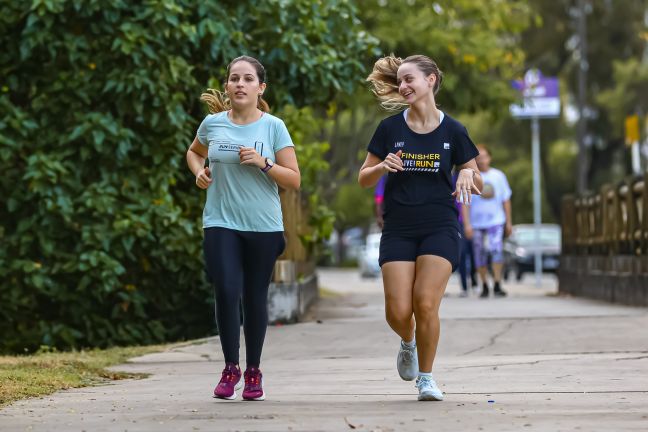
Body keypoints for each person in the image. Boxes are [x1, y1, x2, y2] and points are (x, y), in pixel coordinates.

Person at [358, 55, 483, 401]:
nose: (403, 86)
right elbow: (363, 179)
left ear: (430, 80)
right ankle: (408, 340)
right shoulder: (389, 129)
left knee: (425, 302)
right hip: (398, 227)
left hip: (439, 225)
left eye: (409, 79)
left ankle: (426, 378)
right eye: (399, 81)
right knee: (398, 312)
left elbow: (479, 183)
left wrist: (469, 172)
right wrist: (382, 165)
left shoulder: (454, 131)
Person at [186, 55, 300, 401]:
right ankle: (230, 367)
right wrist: (199, 173)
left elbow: (294, 179)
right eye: (234, 78)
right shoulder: (213, 123)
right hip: (221, 220)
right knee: (225, 288)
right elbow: (194, 153)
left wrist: (265, 163)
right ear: (226, 86)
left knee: (253, 298)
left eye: (248, 79)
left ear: (259, 88)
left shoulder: (274, 126)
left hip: (263, 226)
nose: (239, 84)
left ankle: (253, 371)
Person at [461, 144, 512, 298]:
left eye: (484, 157)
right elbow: (465, 202)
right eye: (478, 158)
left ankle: (497, 283)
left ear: (489, 158)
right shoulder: (469, 177)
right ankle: (484, 284)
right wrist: (467, 224)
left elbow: (506, 200)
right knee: (479, 254)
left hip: (496, 221)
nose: (482, 160)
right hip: (476, 224)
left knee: (496, 251)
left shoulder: (498, 176)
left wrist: (508, 222)